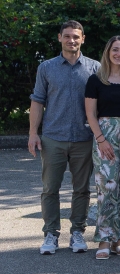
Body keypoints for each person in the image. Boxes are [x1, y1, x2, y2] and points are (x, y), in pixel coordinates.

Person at [30, 21, 100, 255]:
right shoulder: (46, 68)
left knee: (82, 189)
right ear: (59, 37)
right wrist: (33, 133)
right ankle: (50, 234)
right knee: (50, 189)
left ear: (83, 39)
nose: (72, 40)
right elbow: (37, 100)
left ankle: (77, 232)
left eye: (76, 36)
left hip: (84, 137)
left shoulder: (95, 68)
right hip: (53, 138)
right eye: (67, 36)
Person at [84, 36, 120, 259]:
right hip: (105, 134)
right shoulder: (96, 80)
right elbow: (90, 113)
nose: (119, 54)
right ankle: (104, 239)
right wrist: (101, 139)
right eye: (115, 50)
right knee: (107, 186)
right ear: (108, 52)